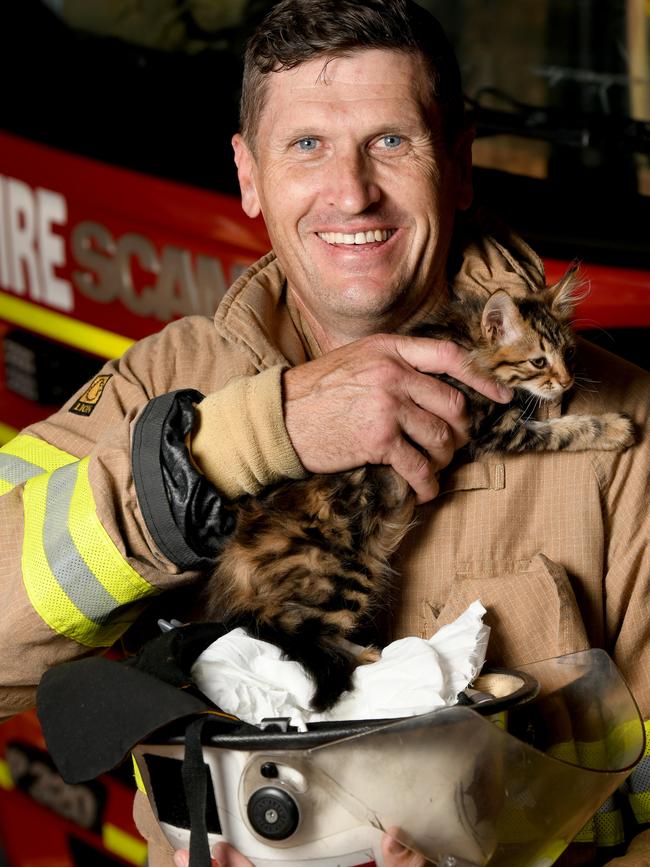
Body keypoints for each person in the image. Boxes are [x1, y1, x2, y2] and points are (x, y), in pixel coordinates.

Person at [0, 1, 648, 865]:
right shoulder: (165, 385)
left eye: (392, 142)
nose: (352, 192)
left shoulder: (620, 424)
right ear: (248, 174)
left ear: (457, 164)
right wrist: (242, 441)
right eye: (307, 145)